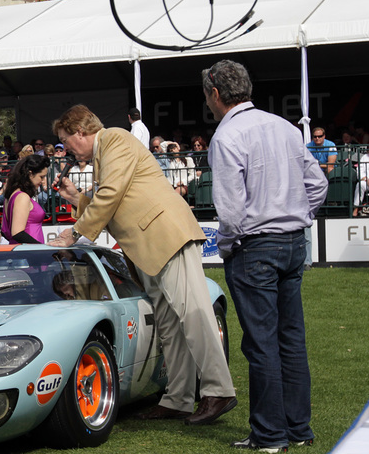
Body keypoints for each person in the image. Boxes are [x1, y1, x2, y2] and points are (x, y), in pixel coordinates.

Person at [51, 104, 236, 426]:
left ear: (80, 132)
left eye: (66, 140)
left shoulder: (115, 139)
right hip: (151, 246)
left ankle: (218, 390)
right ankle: (178, 398)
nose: (66, 147)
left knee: (193, 314)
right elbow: (114, 196)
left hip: (166, 236)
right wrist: (75, 197)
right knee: (169, 324)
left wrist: (75, 233)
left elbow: (111, 193)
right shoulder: (106, 152)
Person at [203, 60, 328, 453]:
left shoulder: (227, 136)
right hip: (292, 241)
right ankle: (298, 429)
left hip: (255, 245)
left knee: (262, 343)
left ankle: (271, 436)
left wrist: (228, 244)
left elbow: (231, 210)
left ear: (216, 94)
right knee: (290, 339)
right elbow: (318, 183)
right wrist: (298, 215)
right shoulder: (284, 127)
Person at [0, 154, 50, 245]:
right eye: (41, 177)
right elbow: (17, 233)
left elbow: (5, 232)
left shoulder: (11, 196)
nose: (43, 181)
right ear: (30, 174)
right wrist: (42, 247)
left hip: (24, 251)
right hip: (28, 254)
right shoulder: (22, 197)